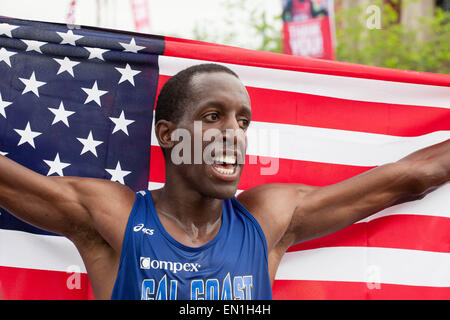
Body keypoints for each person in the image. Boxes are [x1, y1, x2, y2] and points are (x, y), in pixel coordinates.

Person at [0, 64, 448, 300]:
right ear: (169, 135)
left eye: (243, 121)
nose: (233, 132)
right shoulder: (115, 216)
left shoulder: (269, 217)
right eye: (213, 117)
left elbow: (409, 179)